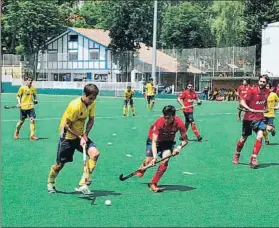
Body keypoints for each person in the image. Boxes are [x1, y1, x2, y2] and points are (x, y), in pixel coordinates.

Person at [47, 84, 100, 194]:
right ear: (84, 95)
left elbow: (91, 120)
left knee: (94, 154)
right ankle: (51, 182)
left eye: (94, 98)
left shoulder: (91, 103)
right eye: (90, 98)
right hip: (67, 136)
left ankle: (82, 183)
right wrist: (80, 137)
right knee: (59, 165)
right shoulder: (75, 106)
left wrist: (85, 134)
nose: (92, 101)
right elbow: (67, 126)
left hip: (80, 135)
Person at [135, 105, 188, 192]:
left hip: (167, 143)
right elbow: (154, 142)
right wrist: (155, 158)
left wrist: (178, 147)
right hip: (154, 140)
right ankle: (144, 166)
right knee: (148, 161)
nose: (166, 120)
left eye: (168, 118)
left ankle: (153, 183)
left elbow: (186, 140)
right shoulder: (159, 122)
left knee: (165, 160)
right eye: (165, 117)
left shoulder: (180, 124)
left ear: (174, 116)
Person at [232, 75, 270, 168]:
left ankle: (253, 158)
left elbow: (264, 102)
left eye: (263, 82)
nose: (261, 83)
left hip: (259, 118)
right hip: (249, 118)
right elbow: (242, 101)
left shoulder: (267, 92)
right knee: (243, 139)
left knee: (260, 135)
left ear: (266, 83)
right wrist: (249, 108)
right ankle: (237, 154)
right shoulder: (252, 90)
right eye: (260, 81)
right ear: (258, 81)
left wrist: (266, 108)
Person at [14, 76, 38, 140]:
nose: (30, 81)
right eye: (29, 80)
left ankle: (32, 135)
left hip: (31, 107)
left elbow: (35, 96)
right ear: (26, 81)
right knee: (21, 122)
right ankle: (17, 131)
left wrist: (35, 100)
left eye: (31, 80)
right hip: (23, 108)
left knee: (32, 120)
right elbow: (18, 96)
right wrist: (19, 103)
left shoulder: (33, 88)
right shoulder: (22, 88)